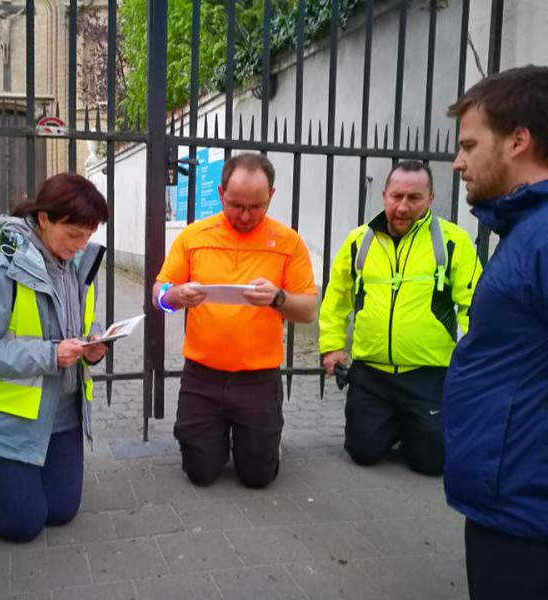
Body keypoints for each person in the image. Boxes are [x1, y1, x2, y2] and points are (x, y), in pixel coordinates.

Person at [0, 172, 108, 542]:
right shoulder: (0, 268)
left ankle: (18, 474)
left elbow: (81, 322)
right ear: (44, 219)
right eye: (74, 233)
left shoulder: (76, 265)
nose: (81, 245)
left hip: (63, 413)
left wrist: (93, 343)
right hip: (8, 418)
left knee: (60, 511)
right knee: (22, 524)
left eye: (89, 235)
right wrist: (49, 354)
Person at [442, 65, 548, 600]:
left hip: (527, 516)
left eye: (468, 144)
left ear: (518, 141)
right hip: (509, 499)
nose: (458, 161)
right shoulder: (525, 229)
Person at [152, 153, 318, 489]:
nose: (245, 215)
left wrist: (278, 298)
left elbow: (309, 310)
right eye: (235, 205)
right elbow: (160, 293)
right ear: (220, 193)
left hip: (258, 378)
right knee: (200, 474)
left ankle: (259, 444)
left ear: (271, 195)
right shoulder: (194, 236)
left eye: (256, 206)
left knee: (258, 478)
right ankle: (218, 441)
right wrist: (176, 296)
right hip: (202, 376)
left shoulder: (288, 243)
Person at [318, 161, 480, 476]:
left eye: (414, 198)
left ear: (431, 198)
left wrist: (476, 365)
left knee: (432, 464)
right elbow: (336, 299)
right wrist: (332, 347)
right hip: (371, 373)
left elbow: (475, 307)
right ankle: (396, 424)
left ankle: (412, 428)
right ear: (384, 195)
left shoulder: (451, 242)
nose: (403, 206)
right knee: (362, 453)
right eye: (396, 196)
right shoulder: (359, 241)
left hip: (428, 372)